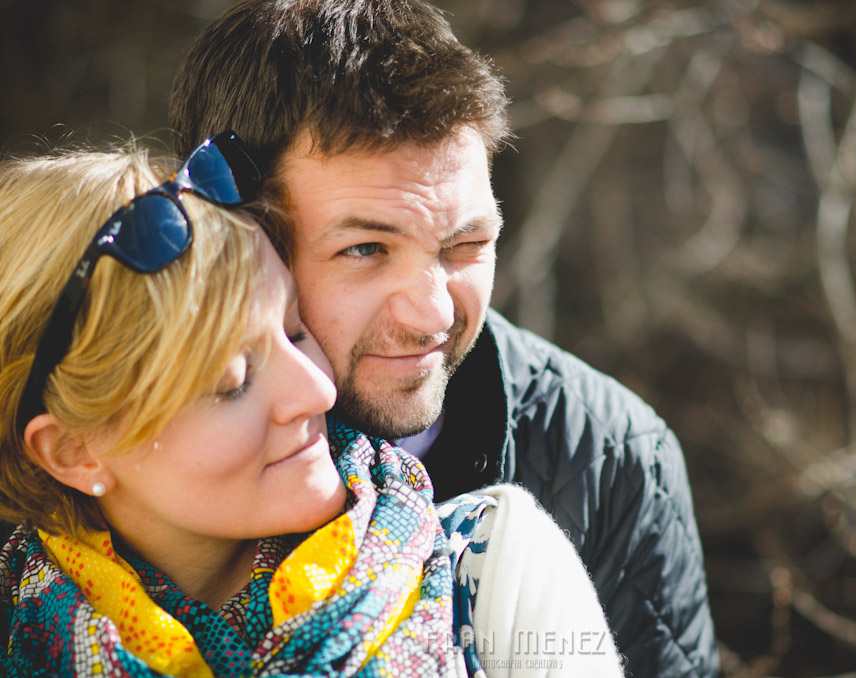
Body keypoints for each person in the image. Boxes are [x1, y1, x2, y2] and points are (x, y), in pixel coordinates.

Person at [168, 1, 718, 676]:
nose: (430, 315)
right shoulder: (114, 428)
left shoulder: (607, 456)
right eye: (366, 248)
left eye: (466, 245)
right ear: (233, 230)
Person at [0, 138, 622, 676]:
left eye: (297, 331)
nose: (318, 391)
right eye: (232, 381)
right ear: (74, 450)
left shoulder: (493, 580)